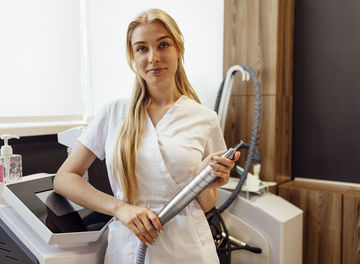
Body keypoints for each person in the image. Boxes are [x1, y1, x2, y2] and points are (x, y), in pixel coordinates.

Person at [54, 8, 240, 264]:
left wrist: (203, 179)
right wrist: (119, 208)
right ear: (132, 56)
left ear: (179, 48)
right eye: (142, 48)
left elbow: (207, 205)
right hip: (129, 245)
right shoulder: (113, 113)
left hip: (189, 249)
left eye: (163, 45)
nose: (153, 57)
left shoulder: (204, 118)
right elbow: (64, 178)